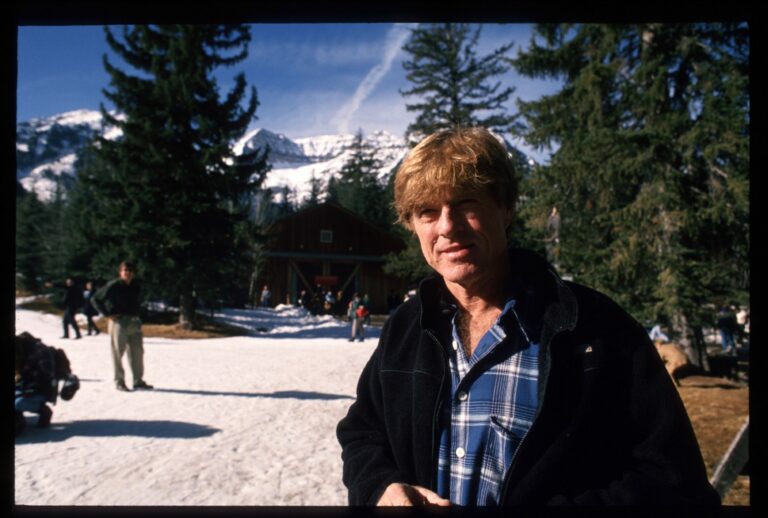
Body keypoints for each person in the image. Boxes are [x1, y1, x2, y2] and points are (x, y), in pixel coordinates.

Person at [336, 127, 719, 507]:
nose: (447, 227)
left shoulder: (595, 330)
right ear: (412, 225)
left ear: (505, 208)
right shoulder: (407, 327)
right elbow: (363, 432)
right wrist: (380, 487)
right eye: (427, 212)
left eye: (466, 203)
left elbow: (674, 482)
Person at [91, 261, 153, 392]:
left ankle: (138, 381)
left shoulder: (136, 286)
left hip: (134, 322)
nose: (128, 272)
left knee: (138, 352)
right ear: (120, 272)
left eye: (130, 270)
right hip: (119, 322)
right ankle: (119, 381)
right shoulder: (114, 285)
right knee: (118, 353)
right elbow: (95, 299)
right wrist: (108, 314)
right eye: (125, 270)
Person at [15, 332, 80, 435]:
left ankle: (44, 411)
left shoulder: (39, 350)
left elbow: (47, 374)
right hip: (23, 386)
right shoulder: (20, 351)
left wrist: (23, 377)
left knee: (19, 403)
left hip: (42, 389)